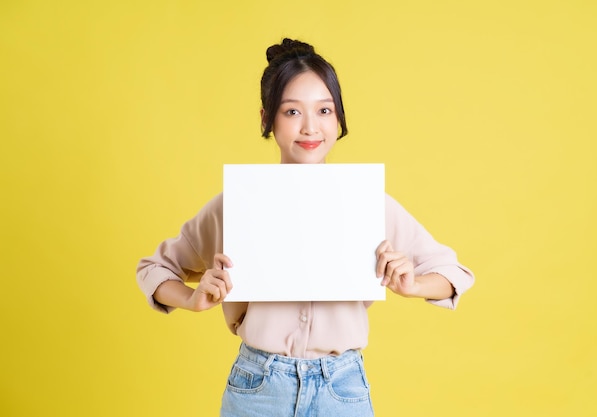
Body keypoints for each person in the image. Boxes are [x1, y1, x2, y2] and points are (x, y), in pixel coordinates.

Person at [136, 38, 474, 417]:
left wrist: (411, 286)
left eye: (325, 110)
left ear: (339, 118)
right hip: (257, 386)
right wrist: (192, 299)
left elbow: (452, 273)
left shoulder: (367, 203)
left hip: (341, 388)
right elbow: (154, 269)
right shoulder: (238, 203)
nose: (311, 127)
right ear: (267, 119)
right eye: (292, 111)